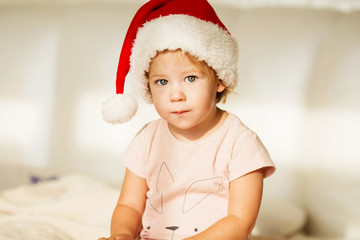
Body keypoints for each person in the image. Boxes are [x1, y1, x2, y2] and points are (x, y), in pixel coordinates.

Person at [99, 0, 275, 239]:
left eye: (190, 78)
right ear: (148, 88)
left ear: (220, 79)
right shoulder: (148, 138)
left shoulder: (239, 142)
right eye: (162, 82)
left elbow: (240, 221)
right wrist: (122, 234)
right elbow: (129, 205)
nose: (176, 95)